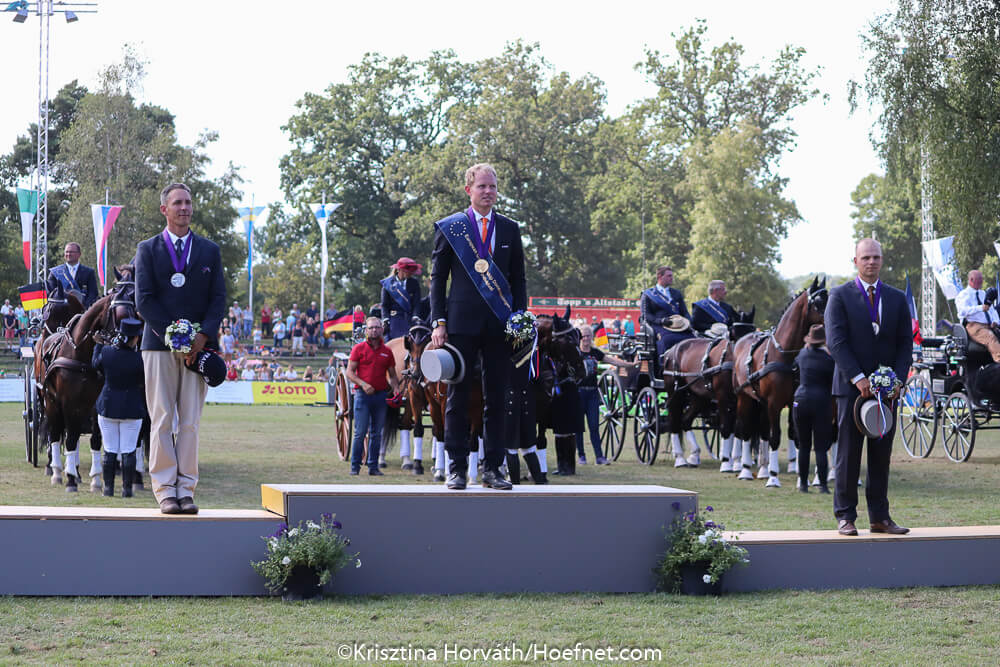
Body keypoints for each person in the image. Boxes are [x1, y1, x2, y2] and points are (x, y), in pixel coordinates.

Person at [430, 163, 527, 490]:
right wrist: (438, 321)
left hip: (500, 325)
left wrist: (520, 318)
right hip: (460, 325)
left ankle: (493, 469)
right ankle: (456, 469)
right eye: (482, 186)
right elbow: (438, 278)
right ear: (468, 190)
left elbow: (518, 280)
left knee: (497, 399)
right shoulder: (452, 228)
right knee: (457, 397)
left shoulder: (510, 228)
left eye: (492, 186)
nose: (488, 192)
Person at [135, 182, 226, 515]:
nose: (184, 208)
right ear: (165, 209)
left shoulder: (209, 250)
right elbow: (144, 301)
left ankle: (186, 490)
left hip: (197, 351)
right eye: (177, 203)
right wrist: (175, 338)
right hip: (158, 347)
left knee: (189, 422)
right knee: (161, 419)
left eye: (188, 202)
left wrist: (202, 336)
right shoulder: (147, 249)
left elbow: (218, 299)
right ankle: (164, 492)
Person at [825, 238, 912, 536]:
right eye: (866, 258)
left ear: (882, 260)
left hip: (887, 391)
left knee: (880, 455)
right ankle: (845, 516)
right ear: (856, 261)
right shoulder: (839, 296)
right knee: (848, 454)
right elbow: (836, 342)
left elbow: (905, 344)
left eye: (876, 257)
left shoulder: (897, 298)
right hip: (852, 390)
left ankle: (880, 518)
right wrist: (858, 377)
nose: (871, 262)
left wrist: (898, 380)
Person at [91, 318, 146, 499]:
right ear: (135, 338)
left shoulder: (107, 352)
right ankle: (127, 490)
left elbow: (95, 365)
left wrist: (98, 345)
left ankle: (108, 489)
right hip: (131, 408)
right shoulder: (140, 358)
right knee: (129, 450)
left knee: (110, 449)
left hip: (108, 406)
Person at [345, 317, 399, 476]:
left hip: (380, 397)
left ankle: (373, 467)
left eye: (377, 327)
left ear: (382, 329)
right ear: (366, 330)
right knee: (360, 432)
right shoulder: (358, 349)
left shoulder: (387, 352)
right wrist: (363, 384)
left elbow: (392, 375)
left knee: (376, 434)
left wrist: (396, 388)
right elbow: (349, 372)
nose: (374, 330)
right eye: (371, 328)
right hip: (363, 396)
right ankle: (355, 467)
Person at [576, 324, 635, 465]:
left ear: (592, 337)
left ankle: (599, 457)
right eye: (583, 336)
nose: (586, 339)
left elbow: (612, 360)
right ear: (579, 338)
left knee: (594, 426)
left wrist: (629, 364)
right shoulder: (575, 353)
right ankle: (581, 456)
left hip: (592, 393)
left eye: (588, 336)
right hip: (578, 392)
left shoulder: (596, 353)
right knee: (578, 427)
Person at [792, 324, 835, 494]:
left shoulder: (802, 355)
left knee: (803, 445)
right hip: (821, 402)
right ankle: (822, 485)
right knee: (820, 447)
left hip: (801, 400)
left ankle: (803, 484)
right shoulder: (828, 360)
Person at [641, 266, 694, 358]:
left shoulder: (676, 293)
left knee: (694, 339)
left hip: (679, 325)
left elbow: (684, 312)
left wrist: (688, 322)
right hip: (660, 326)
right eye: (669, 276)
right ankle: (664, 363)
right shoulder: (648, 294)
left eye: (672, 276)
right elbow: (646, 315)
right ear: (660, 277)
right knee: (667, 340)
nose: (672, 278)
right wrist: (661, 321)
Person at [956, 269, 1000, 362]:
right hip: (974, 326)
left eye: (982, 279)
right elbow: (962, 311)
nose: (981, 281)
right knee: (990, 337)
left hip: (989, 325)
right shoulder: (963, 295)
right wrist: (980, 308)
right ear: (971, 280)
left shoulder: (983, 293)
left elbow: (992, 310)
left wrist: (995, 321)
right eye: (979, 279)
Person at [380, 257, 423, 340]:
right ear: (400, 270)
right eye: (409, 271)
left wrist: (415, 316)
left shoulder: (414, 283)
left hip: (410, 320)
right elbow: (384, 305)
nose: (411, 273)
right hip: (394, 321)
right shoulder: (388, 284)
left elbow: (417, 303)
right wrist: (385, 320)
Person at [47, 242, 100, 308]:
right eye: (67, 252)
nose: (68, 254)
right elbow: (51, 292)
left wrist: (85, 307)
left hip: (83, 310)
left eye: (71, 252)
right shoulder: (55, 272)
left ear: (79, 254)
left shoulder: (89, 272)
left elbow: (93, 293)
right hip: (60, 309)